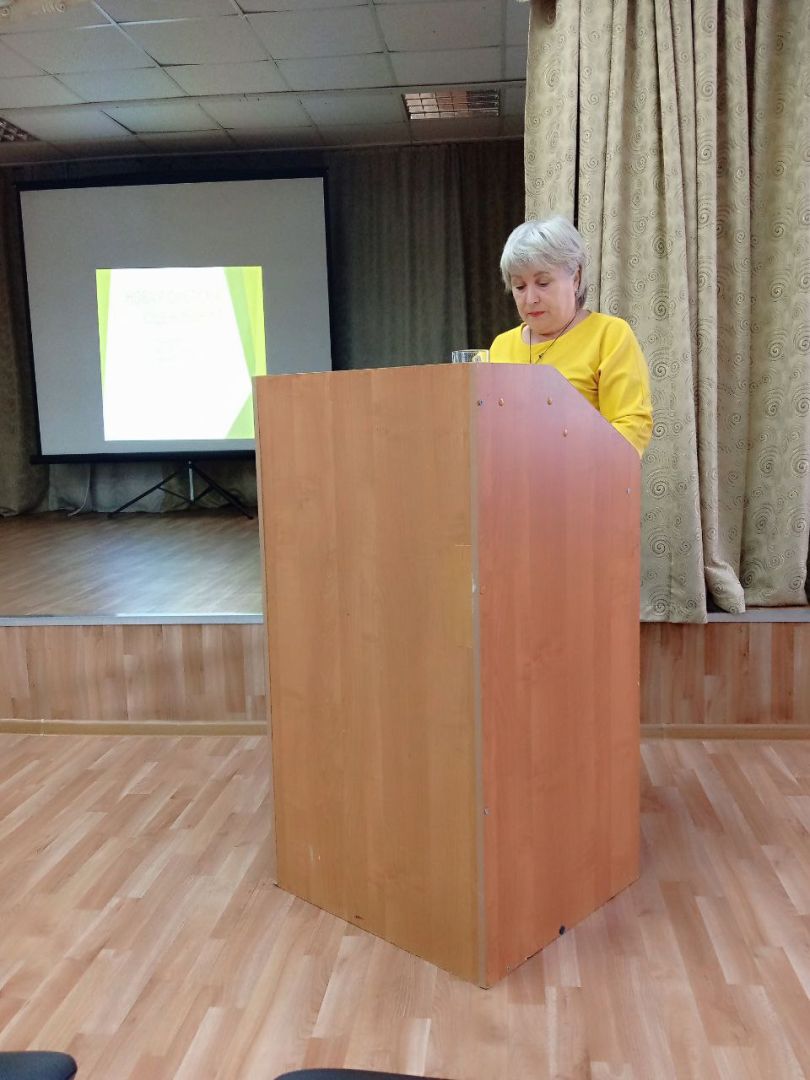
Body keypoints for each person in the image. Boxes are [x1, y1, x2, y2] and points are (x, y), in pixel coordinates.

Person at [491, 216, 653, 456]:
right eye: (520, 286)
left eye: (543, 283)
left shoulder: (609, 335)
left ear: (575, 278)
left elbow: (631, 425)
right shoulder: (501, 346)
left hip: (587, 475)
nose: (530, 299)